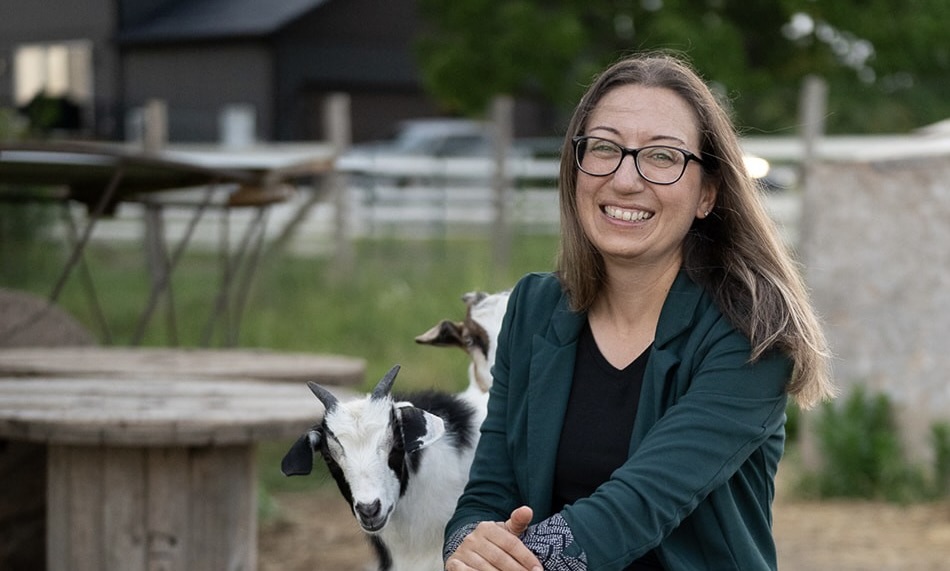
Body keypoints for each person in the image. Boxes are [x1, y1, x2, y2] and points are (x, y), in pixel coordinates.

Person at [442, 52, 836, 571]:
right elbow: (488, 490)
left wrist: (517, 564)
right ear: (575, 167)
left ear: (707, 194)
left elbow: (636, 508)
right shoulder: (533, 310)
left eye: (662, 157)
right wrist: (468, 545)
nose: (626, 180)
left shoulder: (753, 331)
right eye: (604, 148)